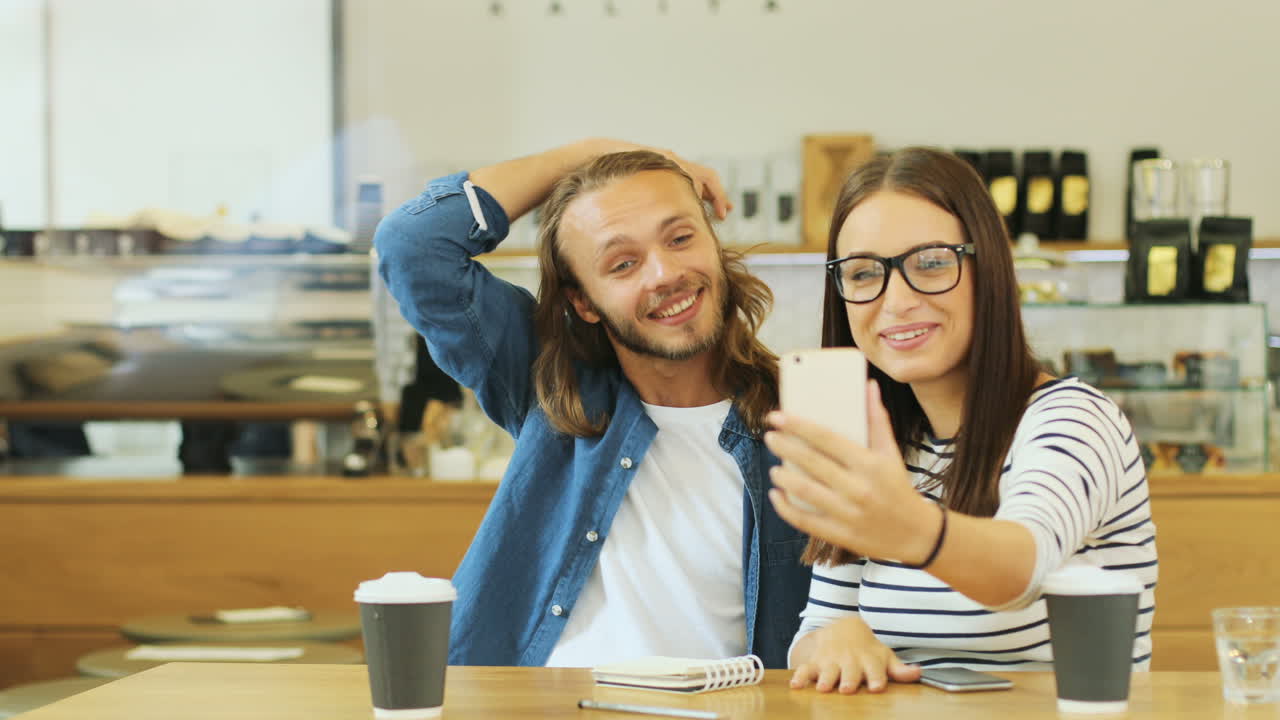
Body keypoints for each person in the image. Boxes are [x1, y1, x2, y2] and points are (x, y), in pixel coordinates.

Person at [373, 139, 811, 668]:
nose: (663, 274)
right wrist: (592, 152)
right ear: (583, 301)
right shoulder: (552, 386)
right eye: (623, 263)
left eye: (680, 238)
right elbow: (410, 247)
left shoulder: (802, 424)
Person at [764, 147, 1157, 693]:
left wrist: (909, 527)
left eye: (930, 263)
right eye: (862, 273)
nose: (895, 300)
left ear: (988, 269)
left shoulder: (1073, 419)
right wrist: (836, 638)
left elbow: (1023, 568)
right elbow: (818, 626)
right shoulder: (882, 444)